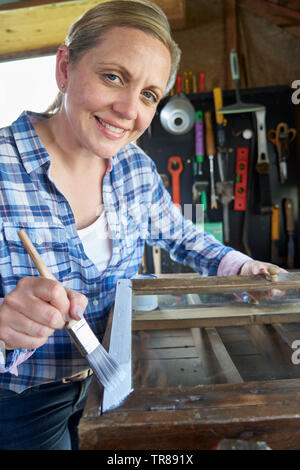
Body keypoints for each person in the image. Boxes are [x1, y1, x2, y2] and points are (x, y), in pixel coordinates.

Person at [0, 0, 284, 450]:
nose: (129, 110)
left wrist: (239, 266)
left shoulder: (133, 166)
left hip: (118, 383)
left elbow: (180, 233)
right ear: (64, 67)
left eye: (149, 94)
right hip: (22, 404)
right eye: (113, 76)